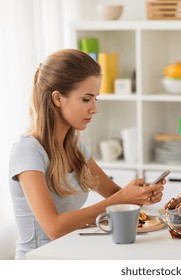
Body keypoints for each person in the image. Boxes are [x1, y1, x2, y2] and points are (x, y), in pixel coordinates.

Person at [8, 49, 165, 259]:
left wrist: (140, 195)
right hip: (39, 263)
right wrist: (122, 198)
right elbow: (54, 227)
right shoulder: (28, 151)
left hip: (72, 256)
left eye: (95, 99)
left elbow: (114, 195)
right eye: (86, 99)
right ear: (57, 98)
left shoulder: (75, 148)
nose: (94, 109)